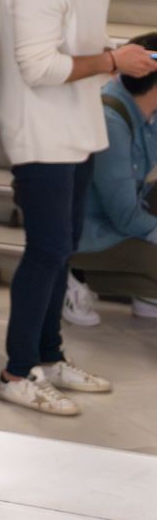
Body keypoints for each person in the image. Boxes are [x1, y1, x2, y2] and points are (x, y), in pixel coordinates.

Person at [0, 0, 153, 415]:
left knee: (65, 249)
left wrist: (126, 56)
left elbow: (85, 45)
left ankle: (50, 356)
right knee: (45, 251)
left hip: (79, 129)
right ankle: (18, 373)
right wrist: (113, 60)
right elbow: (39, 67)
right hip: (39, 131)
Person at [68, 27, 157, 317]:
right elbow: (125, 216)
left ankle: (146, 292)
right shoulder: (111, 122)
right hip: (93, 233)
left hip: (124, 213)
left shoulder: (147, 109)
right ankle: (74, 277)